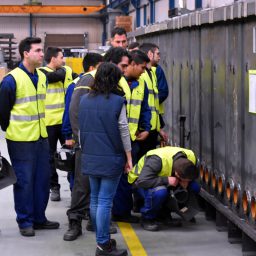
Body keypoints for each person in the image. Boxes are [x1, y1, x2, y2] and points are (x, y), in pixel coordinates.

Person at [0, 37, 59, 237]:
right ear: (26, 53)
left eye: (42, 51)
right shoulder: (12, 80)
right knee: (24, 181)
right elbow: (3, 112)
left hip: (41, 138)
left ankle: (39, 218)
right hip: (21, 140)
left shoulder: (42, 77)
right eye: (38, 51)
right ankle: (25, 221)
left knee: (42, 180)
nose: (42, 55)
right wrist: (12, 129)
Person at [79, 62, 132, 256]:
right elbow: (124, 131)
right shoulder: (117, 101)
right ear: (114, 79)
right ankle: (103, 244)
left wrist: (85, 151)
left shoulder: (84, 99)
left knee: (95, 200)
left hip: (90, 155)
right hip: (111, 157)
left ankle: (102, 240)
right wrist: (129, 157)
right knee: (105, 201)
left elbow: (80, 130)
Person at [62, 52, 104, 241]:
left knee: (101, 185)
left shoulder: (111, 81)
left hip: (105, 143)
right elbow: (74, 110)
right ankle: (74, 222)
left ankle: (95, 220)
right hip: (87, 143)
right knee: (82, 183)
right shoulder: (89, 79)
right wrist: (81, 139)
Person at [112, 50, 152, 223]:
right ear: (132, 64)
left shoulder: (141, 82)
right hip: (115, 140)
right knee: (115, 178)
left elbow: (144, 107)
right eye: (142, 67)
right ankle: (118, 213)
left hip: (132, 140)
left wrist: (146, 128)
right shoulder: (116, 81)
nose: (144, 71)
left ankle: (123, 212)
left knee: (129, 176)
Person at [127, 146, 200, 231]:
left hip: (164, 179)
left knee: (195, 187)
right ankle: (147, 218)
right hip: (140, 182)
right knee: (161, 192)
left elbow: (191, 176)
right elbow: (142, 181)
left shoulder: (191, 157)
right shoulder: (156, 160)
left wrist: (186, 183)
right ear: (176, 174)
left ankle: (165, 215)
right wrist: (166, 180)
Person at [40, 47, 77, 201]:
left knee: (72, 154)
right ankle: (54, 187)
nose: (64, 60)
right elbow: (54, 77)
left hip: (65, 121)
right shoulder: (41, 72)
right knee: (49, 157)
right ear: (53, 58)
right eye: (61, 57)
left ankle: (74, 187)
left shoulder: (66, 70)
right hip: (48, 122)